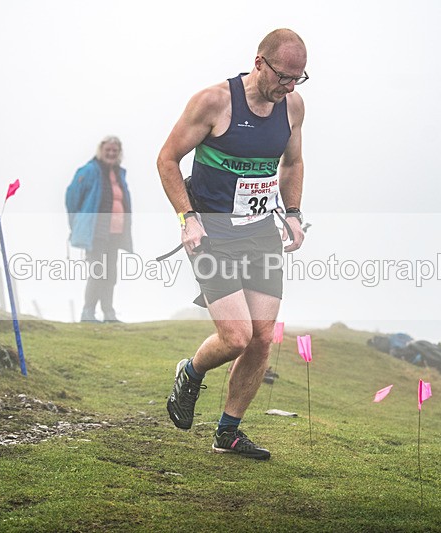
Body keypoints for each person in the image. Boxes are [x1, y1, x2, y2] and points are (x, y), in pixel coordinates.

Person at [158, 29, 308, 459]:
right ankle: (190, 371)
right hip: (212, 231)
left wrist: (293, 213)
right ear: (259, 62)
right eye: (283, 76)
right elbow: (167, 158)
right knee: (237, 336)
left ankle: (228, 432)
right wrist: (187, 219)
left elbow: (293, 162)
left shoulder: (293, 106)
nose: (290, 87)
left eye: (299, 78)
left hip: (260, 231)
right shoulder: (214, 102)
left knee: (263, 337)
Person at [65, 136, 133, 323]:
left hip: (115, 233)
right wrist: (77, 225)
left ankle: (108, 312)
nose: (111, 154)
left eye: (114, 151)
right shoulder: (89, 171)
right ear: (100, 151)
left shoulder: (119, 174)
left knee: (111, 273)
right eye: (107, 150)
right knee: (98, 272)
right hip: (96, 233)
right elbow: (72, 198)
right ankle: (88, 312)